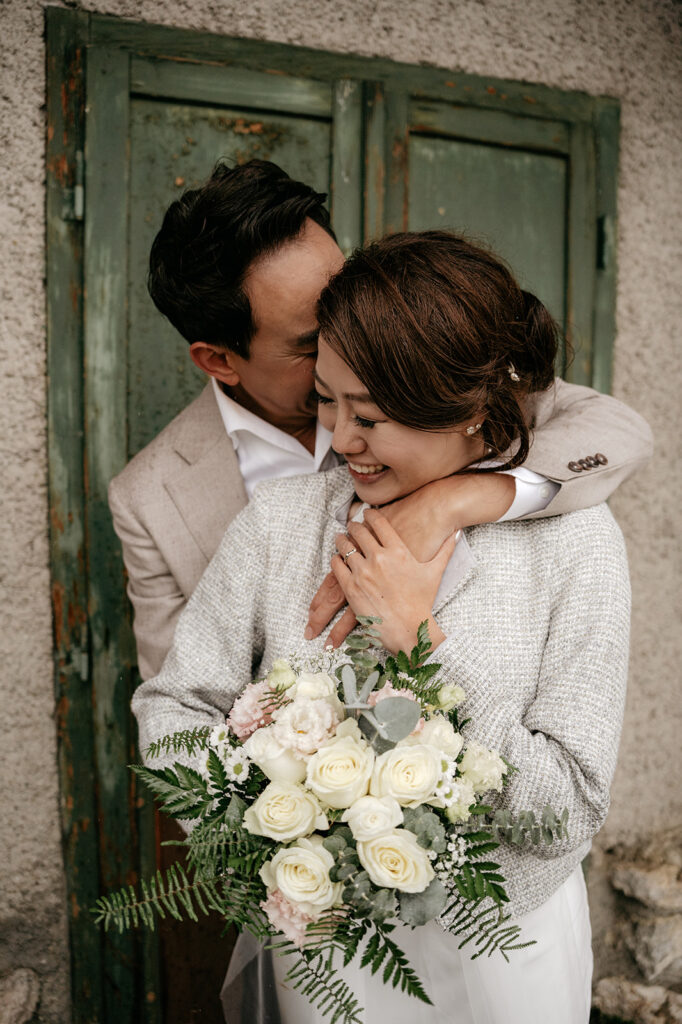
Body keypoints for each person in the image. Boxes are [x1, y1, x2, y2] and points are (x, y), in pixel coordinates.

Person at [131, 231, 631, 1024]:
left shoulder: (576, 545)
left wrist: (424, 647)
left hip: (506, 952)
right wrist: (262, 833)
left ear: (469, 411)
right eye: (326, 400)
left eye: (370, 417)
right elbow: (174, 705)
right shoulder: (281, 523)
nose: (340, 440)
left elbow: (566, 809)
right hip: (326, 954)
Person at [109, 160, 651, 683]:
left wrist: (452, 500)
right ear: (220, 360)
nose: (348, 338)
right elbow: (180, 702)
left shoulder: (416, 363)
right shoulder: (150, 500)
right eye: (309, 342)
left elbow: (618, 432)